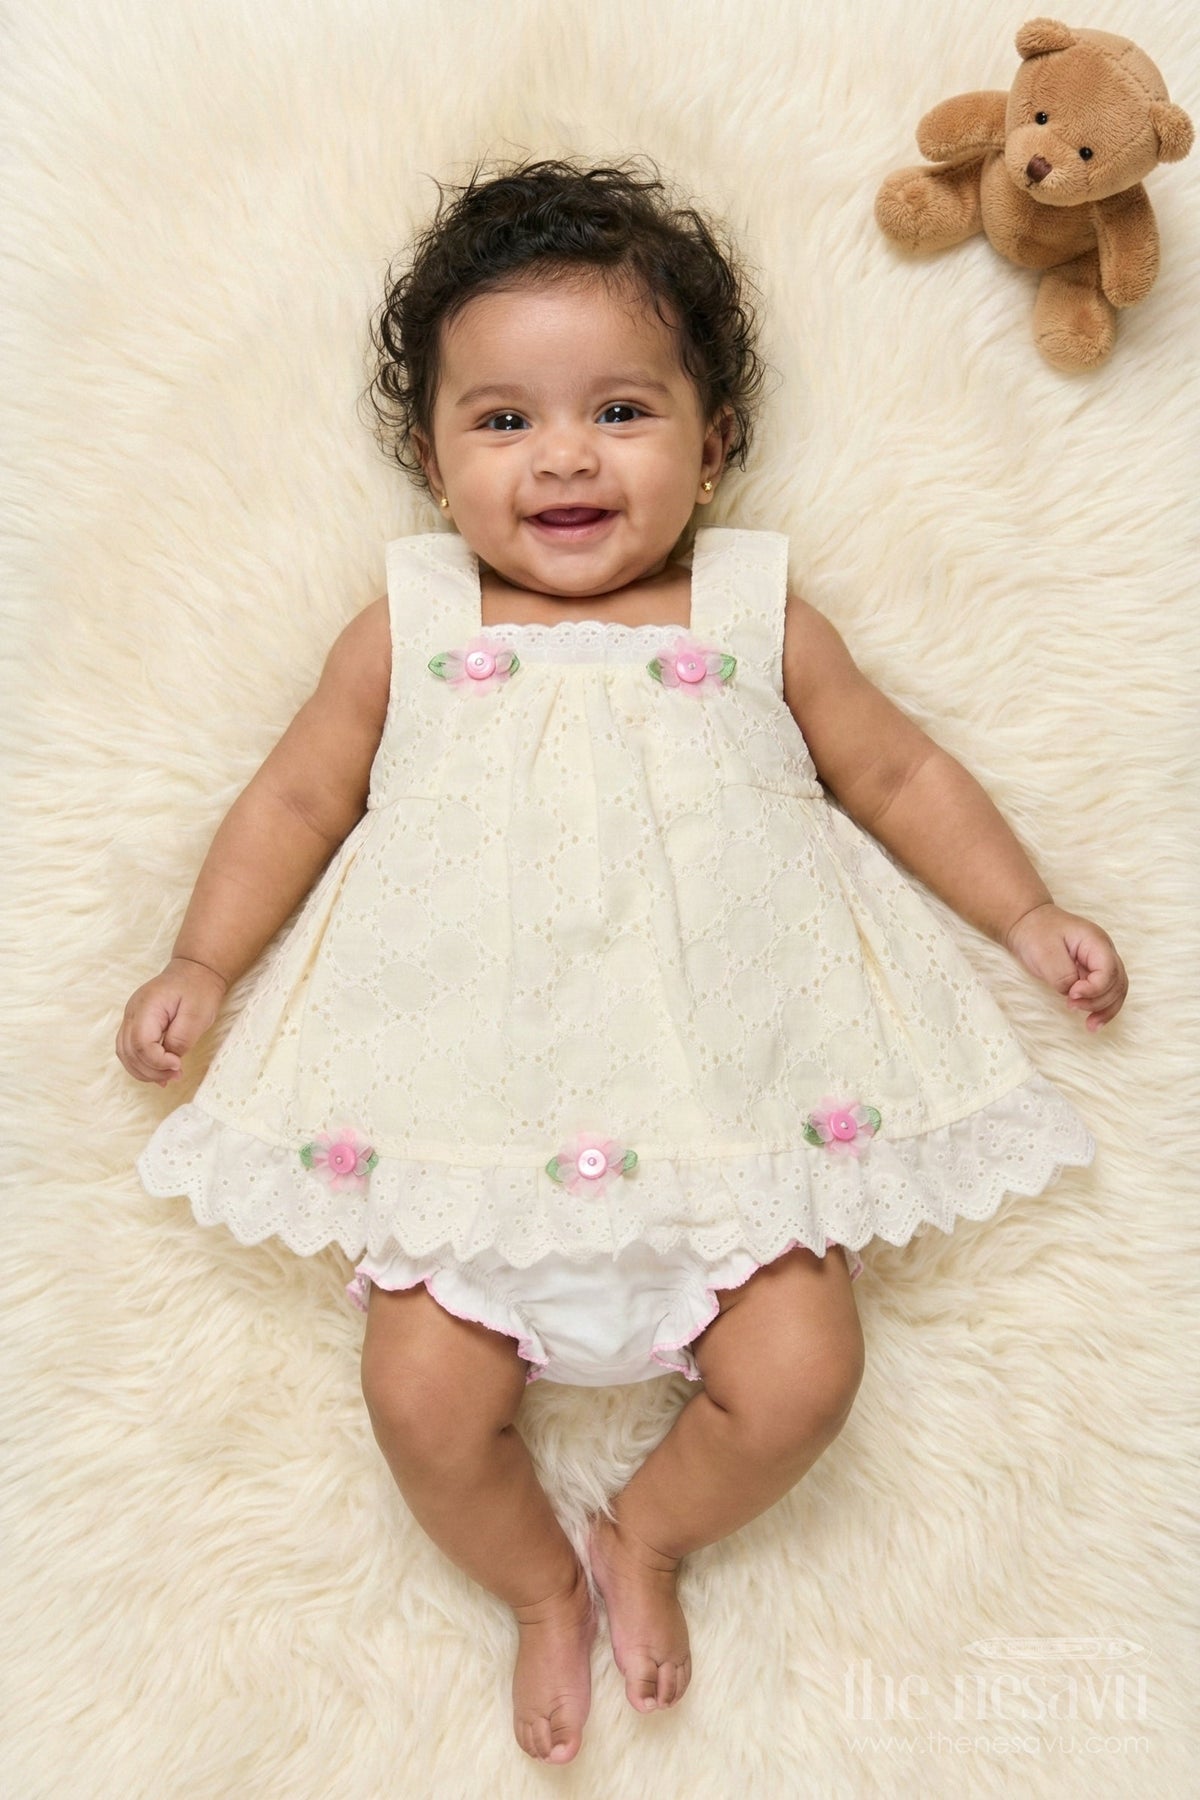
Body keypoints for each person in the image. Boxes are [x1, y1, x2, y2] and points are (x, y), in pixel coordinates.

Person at [117, 157, 1128, 1766]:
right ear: (431, 456)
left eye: (622, 411)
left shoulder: (752, 612)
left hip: (730, 1125)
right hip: (468, 1131)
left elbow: (898, 774)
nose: (565, 455)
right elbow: (296, 800)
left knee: (803, 1381)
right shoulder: (411, 625)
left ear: (712, 443)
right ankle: (537, 1584)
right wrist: (202, 959)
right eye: (503, 419)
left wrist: (1025, 914)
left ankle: (645, 1534)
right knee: (420, 1406)